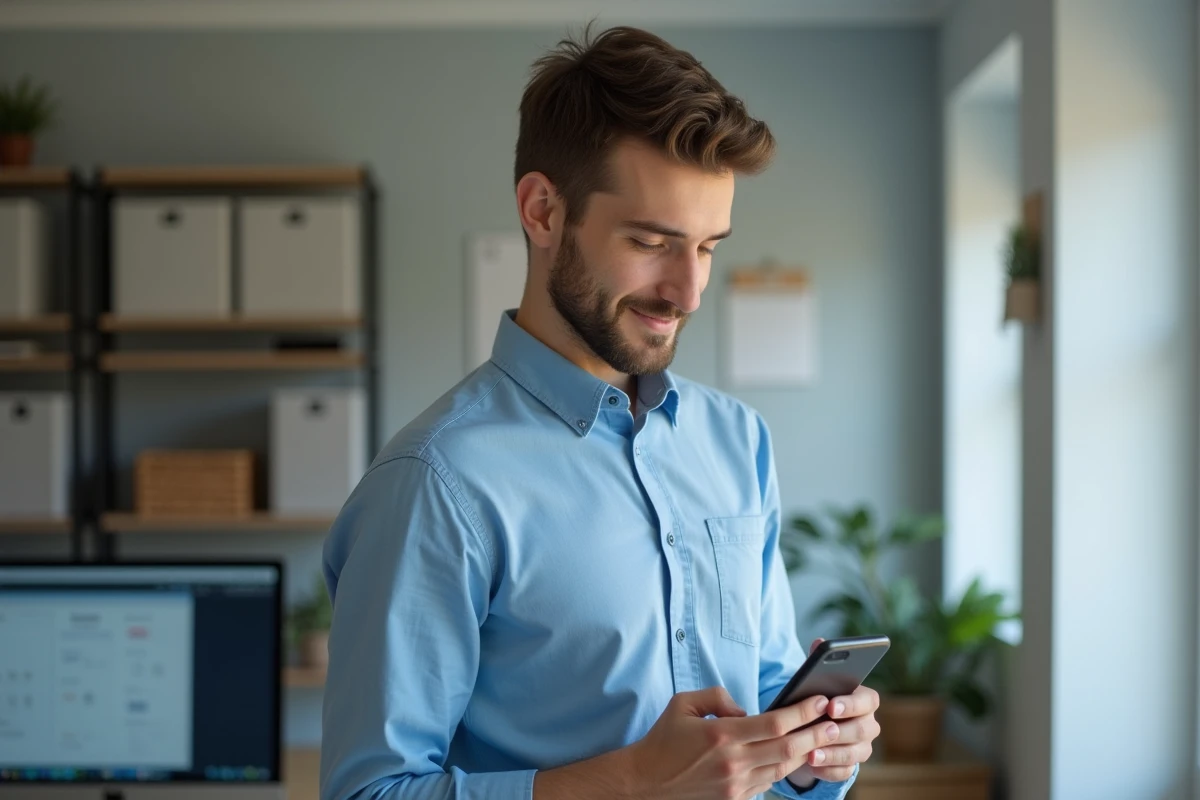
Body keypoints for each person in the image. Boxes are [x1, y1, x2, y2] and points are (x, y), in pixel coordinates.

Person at [320, 25, 881, 800]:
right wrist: (628, 781)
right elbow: (368, 792)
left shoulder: (736, 441)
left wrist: (822, 752)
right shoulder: (435, 483)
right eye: (652, 241)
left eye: (709, 247)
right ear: (544, 212)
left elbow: (765, 706)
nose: (687, 292)